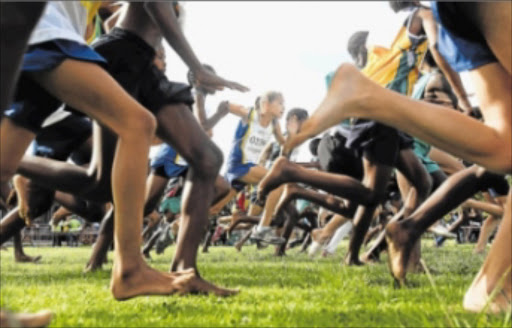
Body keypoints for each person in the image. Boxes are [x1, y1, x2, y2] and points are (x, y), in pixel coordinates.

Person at [276, 0, 511, 313]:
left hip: (455, 19)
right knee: (376, 191)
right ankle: (311, 177)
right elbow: (438, 48)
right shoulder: (420, 17)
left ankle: (491, 286)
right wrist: (457, 94)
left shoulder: (400, 25)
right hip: (379, 120)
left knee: (502, 148)